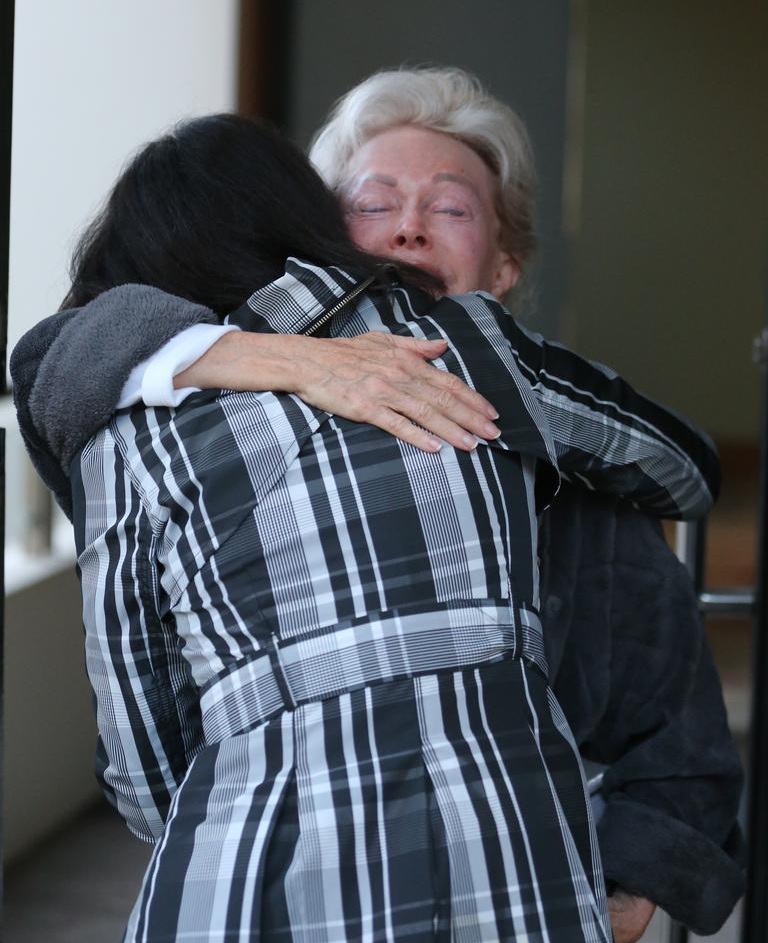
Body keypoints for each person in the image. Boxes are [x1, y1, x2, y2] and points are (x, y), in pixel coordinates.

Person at [11, 70, 743, 941]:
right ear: (315, 234)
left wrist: (633, 892)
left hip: (472, 872)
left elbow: (681, 732)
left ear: (504, 265)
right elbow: (56, 357)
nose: (407, 226)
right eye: (375, 202)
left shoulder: (577, 474)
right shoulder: (177, 407)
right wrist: (272, 357)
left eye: (451, 208)